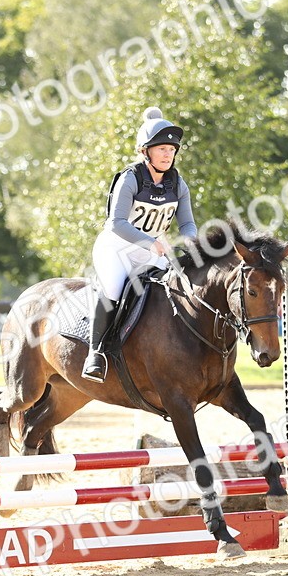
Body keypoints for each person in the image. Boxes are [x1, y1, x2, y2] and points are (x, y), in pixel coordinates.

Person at [82, 107, 199, 382]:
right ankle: (95, 353)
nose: (168, 154)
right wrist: (150, 242)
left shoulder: (177, 184)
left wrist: (191, 243)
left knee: (177, 288)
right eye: (162, 149)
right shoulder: (130, 178)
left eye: (172, 149)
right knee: (113, 289)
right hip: (116, 248)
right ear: (145, 151)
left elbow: (187, 224)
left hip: (151, 252)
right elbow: (116, 223)